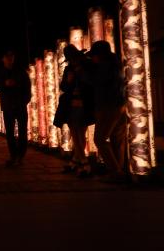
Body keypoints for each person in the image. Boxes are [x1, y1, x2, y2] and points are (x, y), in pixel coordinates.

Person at [86, 40, 127, 183]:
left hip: (108, 106)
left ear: (100, 55)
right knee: (117, 139)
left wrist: (86, 71)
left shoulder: (105, 66)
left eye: (94, 56)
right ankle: (118, 171)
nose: (93, 58)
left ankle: (116, 172)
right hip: (119, 105)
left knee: (100, 139)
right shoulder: (116, 63)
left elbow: (96, 82)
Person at [54, 44, 95, 178]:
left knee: (80, 133)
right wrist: (69, 80)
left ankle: (83, 162)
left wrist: (80, 72)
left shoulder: (87, 66)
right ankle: (77, 161)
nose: (72, 61)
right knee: (75, 132)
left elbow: (91, 83)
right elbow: (64, 87)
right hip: (71, 104)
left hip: (84, 103)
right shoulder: (68, 69)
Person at [0, 50, 31, 167]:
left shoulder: (21, 72)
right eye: (7, 56)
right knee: (9, 133)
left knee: (22, 131)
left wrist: (24, 100)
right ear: (3, 59)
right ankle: (13, 156)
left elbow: (28, 87)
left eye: (12, 56)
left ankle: (20, 156)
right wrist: (5, 84)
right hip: (8, 107)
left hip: (20, 105)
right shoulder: (0, 73)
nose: (10, 58)